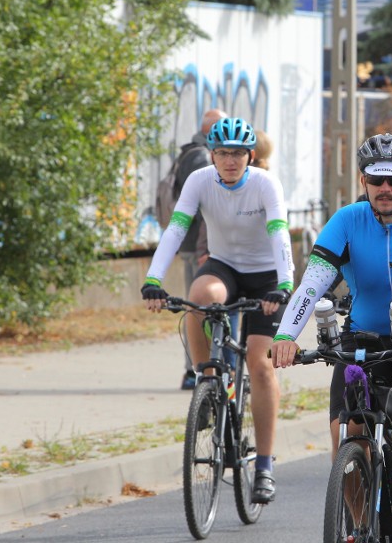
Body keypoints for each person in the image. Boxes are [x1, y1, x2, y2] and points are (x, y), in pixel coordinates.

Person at [270, 133, 392, 539]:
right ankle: (358, 527)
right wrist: (286, 334)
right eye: (376, 181)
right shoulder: (347, 220)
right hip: (362, 332)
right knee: (350, 428)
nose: (385, 189)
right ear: (364, 183)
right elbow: (312, 284)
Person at [141, 117, 295, 503]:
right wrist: (154, 279)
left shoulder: (264, 183)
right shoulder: (199, 180)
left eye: (238, 153)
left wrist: (285, 283)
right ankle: (208, 379)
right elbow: (176, 228)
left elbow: (279, 233)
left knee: (260, 365)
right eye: (223, 152)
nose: (230, 160)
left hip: (266, 279)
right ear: (212, 154)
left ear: (251, 156)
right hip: (225, 266)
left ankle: (263, 465)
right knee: (200, 294)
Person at [174, 109, 227, 390]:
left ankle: (208, 369)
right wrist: (204, 248)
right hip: (200, 247)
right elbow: (206, 207)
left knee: (205, 309)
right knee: (198, 309)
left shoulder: (192, 152)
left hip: (198, 245)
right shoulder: (199, 157)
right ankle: (196, 370)